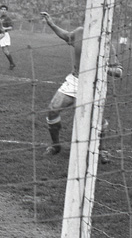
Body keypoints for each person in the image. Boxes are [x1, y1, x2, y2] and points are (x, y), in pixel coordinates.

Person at [41, 11, 123, 162]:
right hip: (75, 80)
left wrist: (102, 67)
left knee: (96, 119)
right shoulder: (79, 32)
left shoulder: (105, 43)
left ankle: (101, 150)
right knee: (53, 109)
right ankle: (56, 145)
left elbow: (118, 72)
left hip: (94, 84)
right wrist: (51, 24)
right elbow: (66, 36)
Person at [0, 4, 16, 70]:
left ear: (6, 11)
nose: (3, 11)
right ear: (0, 10)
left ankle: (12, 63)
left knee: (5, 50)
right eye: (2, 9)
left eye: (5, 10)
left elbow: (11, 27)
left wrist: (5, 28)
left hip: (4, 35)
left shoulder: (7, 18)